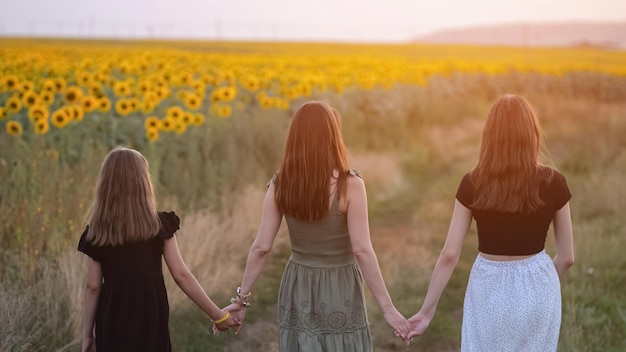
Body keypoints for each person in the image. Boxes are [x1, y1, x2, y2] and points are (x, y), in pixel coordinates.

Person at [222, 101, 410, 351]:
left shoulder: (281, 183)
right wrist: (388, 309)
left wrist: (241, 300)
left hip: (298, 282)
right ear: (333, 135)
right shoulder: (350, 184)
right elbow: (362, 250)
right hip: (339, 283)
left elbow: (262, 247)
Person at [406, 94, 575, 351]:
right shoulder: (554, 181)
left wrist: (427, 312)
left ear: (490, 135)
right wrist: (542, 283)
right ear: (532, 133)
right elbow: (566, 258)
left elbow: (450, 254)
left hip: (488, 284)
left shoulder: (472, 182)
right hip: (539, 285)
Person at [78, 147, 239, 352]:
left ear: (106, 184)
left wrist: (87, 336)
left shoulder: (97, 231)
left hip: (112, 315)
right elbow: (181, 275)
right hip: (149, 312)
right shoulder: (157, 225)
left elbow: (92, 286)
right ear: (143, 182)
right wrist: (219, 315)